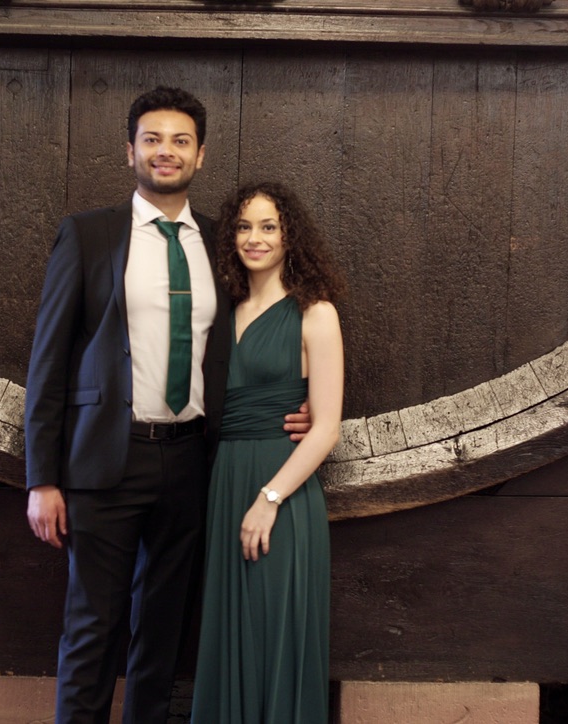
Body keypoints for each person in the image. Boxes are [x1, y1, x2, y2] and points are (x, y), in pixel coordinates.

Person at [24, 87, 310, 724]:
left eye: (181, 141)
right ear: (130, 150)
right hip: (105, 462)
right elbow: (48, 362)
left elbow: (255, 335)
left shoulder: (220, 242)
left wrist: (300, 402)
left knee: (162, 632)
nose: (166, 151)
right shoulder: (89, 234)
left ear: (200, 155)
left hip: (190, 462)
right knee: (92, 629)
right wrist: (41, 479)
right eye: (152, 139)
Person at [190, 182, 345, 724]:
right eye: (243, 226)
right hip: (225, 485)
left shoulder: (315, 313)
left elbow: (326, 428)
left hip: (282, 493)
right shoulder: (220, 314)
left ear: (289, 236)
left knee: (275, 632)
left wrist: (270, 498)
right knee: (229, 634)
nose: (254, 238)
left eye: (268, 226)